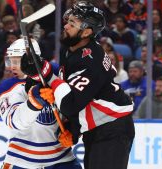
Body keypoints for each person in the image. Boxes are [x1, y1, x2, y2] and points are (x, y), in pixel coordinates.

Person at [21, 1, 135, 169]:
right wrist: (73, 130)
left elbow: (70, 103)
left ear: (86, 32)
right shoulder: (72, 50)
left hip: (112, 129)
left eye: (72, 23)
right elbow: (81, 98)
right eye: (68, 21)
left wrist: (47, 75)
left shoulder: (90, 60)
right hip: (97, 129)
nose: (66, 26)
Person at [0, 38, 81, 169]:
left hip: (62, 158)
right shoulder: (8, 87)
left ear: (32, 59)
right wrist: (35, 100)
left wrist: (73, 130)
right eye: (10, 61)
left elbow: (76, 108)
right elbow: (15, 121)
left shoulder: (55, 77)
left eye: (17, 61)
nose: (12, 66)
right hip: (21, 161)